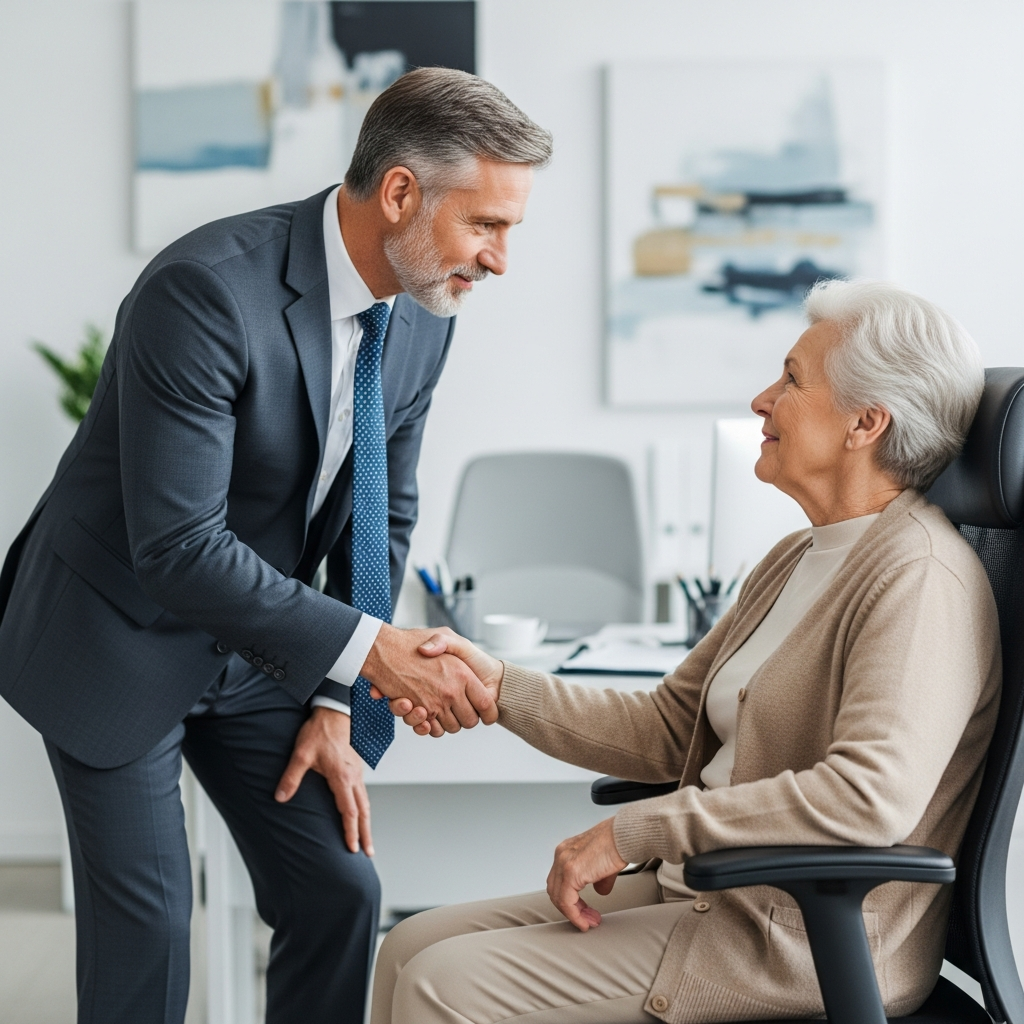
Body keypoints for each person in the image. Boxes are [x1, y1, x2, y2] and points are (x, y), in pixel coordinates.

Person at [0, 68, 550, 1024]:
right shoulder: (205, 291)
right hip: (116, 630)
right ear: (401, 194)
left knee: (340, 894)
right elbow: (176, 546)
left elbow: (380, 519)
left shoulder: (425, 309)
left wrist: (339, 697)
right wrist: (372, 652)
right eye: (487, 226)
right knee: (153, 933)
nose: (501, 259)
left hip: (254, 645)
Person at [372, 280, 1001, 1023]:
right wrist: (499, 682)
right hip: (715, 893)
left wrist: (636, 831)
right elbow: (669, 727)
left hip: (793, 940)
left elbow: (865, 798)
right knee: (408, 946)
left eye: (792, 379)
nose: (761, 400)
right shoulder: (797, 555)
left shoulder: (919, 576)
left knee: (445, 983)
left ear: (866, 423)